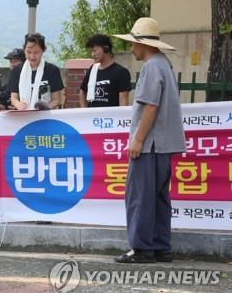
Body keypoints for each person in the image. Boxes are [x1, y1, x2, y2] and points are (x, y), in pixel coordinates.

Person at [112, 18, 186, 263]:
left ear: (142, 44)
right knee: (159, 197)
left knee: (140, 196)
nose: (132, 48)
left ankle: (142, 248)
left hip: (150, 144)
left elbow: (150, 107)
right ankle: (161, 247)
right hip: (164, 145)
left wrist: (137, 140)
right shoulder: (164, 63)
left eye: (133, 43)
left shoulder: (151, 66)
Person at [9, 33, 63, 110]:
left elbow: (56, 99)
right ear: (24, 49)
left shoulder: (53, 70)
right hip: (25, 117)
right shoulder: (16, 71)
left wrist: (45, 108)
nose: (32, 56)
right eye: (28, 52)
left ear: (43, 50)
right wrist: (18, 104)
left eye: (36, 52)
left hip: (46, 116)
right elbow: (14, 98)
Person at [79, 34, 132, 108]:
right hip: (92, 118)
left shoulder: (121, 72)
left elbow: (123, 103)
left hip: (111, 118)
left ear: (106, 49)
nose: (92, 54)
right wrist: (84, 111)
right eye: (91, 51)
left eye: (94, 51)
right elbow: (82, 91)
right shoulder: (93, 69)